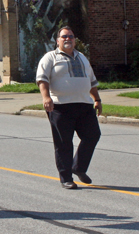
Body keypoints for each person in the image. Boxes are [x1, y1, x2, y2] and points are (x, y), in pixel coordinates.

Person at [36, 26, 102, 189]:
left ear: (75, 40)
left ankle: (78, 167)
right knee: (63, 143)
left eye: (71, 36)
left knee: (93, 135)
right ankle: (66, 178)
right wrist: (46, 97)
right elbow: (42, 79)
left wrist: (97, 99)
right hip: (60, 107)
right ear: (57, 40)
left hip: (84, 105)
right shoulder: (50, 57)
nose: (68, 39)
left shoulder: (82, 57)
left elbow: (91, 81)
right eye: (64, 36)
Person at [18, 0, 87, 81]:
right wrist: (25, 5)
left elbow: (51, 34)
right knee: (25, 61)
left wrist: (46, 40)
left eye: (72, 2)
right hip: (24, 34)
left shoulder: (62, 15)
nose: (68, 2)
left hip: (37, 42)